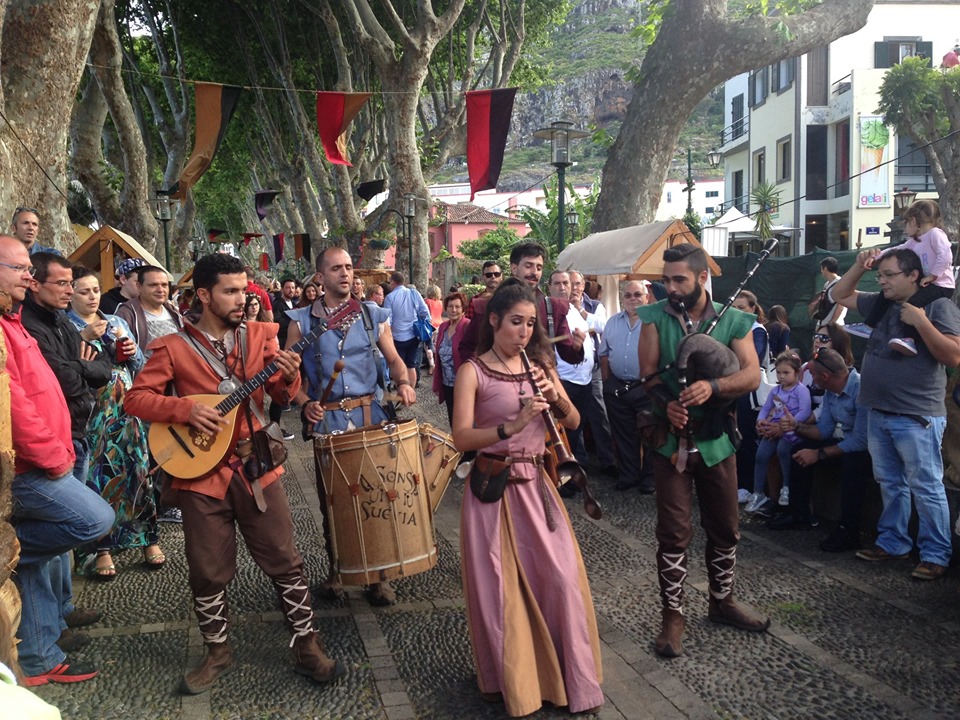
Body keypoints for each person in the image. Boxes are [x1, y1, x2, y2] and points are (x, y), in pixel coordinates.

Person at [125, 252, 345, 693]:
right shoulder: (171, 347)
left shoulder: (263, 334)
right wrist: (185, 409)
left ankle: (307, 645)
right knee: (206, 570)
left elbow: (280, 393)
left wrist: (290, 375)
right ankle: (218, 653)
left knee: (286, 560)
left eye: (244, 289)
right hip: (199, 474)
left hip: (256, 465)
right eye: (230, 291)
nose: (241, 298)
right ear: (204, 295)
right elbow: (136, 400)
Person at [452, 278, 603, 716]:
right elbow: (462, 434)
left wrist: (556, 396)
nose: (523, 331)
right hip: (492, 491)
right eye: (515, 322)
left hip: (539, 489)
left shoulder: (540, 367)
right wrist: (511, 428)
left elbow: (574, 423)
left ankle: (571, 678)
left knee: (559, 581)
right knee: (499, 593)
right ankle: (513, 683)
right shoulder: (472, 371)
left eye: (530, 323)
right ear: (494, 321)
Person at [637, 243, 768, 659]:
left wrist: (713, 387)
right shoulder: (654, 316)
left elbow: (751, 376)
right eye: (666, 279)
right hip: (671, 440)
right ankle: (672, 615)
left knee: (726, 527)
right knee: (673, 533)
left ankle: (722, 602)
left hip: (717, 439)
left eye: (680, 279)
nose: (671, 287)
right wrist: (668, 404)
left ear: (701, 278)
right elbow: (647, 377)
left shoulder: (735, 320)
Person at [0, 236, 113, 686]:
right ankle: (12, 549)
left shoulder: (16, 320)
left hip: (57, 451)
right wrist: (53, 455)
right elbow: (15, 404)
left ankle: (41, 658)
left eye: (30, 268)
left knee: (32, 560)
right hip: (32, 467)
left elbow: (79, 372)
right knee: (93, 520)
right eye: (19, 268)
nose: (28, 276)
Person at [287, 247, 416, 606]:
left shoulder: (374, 315)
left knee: (378, 496)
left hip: (370, 416)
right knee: (334, 502)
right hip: (327, 421)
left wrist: (403, 383)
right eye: (336, 268)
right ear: (320, 277)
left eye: (348, 267)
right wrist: (304, 402)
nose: (345, 274)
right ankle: (338, 571)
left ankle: (380, 575)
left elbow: (393, 359)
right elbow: (287, 375)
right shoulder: (300, 321)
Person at [831, 247, 960, 581]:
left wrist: (921, 322)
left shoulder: (938, 305)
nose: (882, 280)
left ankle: (935, 553)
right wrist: (859, 267)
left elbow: (953, 356)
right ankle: (893, 541)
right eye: (880, 275)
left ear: (913, 275)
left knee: (927, 486)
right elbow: (839, 293)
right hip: (878, 410)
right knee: (890, 482)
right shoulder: (881, 301)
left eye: (889, 275)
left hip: (916, 414)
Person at [66, 266, 161, 580]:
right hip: (91, 415)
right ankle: (101, 548)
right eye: (84, 291)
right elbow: (65, 371)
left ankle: (147, 538)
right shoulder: (66, 326)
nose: (92, 296)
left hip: (126, 408)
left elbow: (141, 366)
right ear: (70, 294)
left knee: (138, 471)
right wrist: (82, 338)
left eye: (95, 290)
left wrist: (132, 353)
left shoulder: (116, 321)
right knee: (97, 478)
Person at [773, 348, 871, 548]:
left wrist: (819, 454)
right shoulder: (830, 392)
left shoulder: (861, 390)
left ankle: (848, 531)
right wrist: (797, 427)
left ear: (824, 376)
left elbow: (861, 440)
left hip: (866, 448)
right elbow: (825, 429)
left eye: (813, 373)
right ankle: (798, 514)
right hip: (843, 441)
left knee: (853, 465)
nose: (809, 378)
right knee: (799, 450)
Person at [459, 242, 584, 367]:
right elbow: (467, 348)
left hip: (539, 382)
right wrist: (483, 374)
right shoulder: (488, 305)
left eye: (539, 268)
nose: (534, 272)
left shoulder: (553, 308)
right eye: (528, 266)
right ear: (514, 268)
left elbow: (568, 354)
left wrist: (577, 346)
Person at [863, 199, 954, 356]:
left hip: (941, 285)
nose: (905, 228)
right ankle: (869, 326)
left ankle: (909, 339)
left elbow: (946, 256)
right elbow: (897, 249)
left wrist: (933, 276)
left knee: (912, 305)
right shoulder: (914, 242)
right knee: (884, 297)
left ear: (913, 221)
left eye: (906, 223)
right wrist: (877, 256)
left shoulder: (935, 234)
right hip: (929, 282)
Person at [547, 270, 616, 477]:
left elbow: (599, 330)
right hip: (563, 381)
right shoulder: (548, 312)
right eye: (557, 283)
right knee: (562, 430)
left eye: (566, 283)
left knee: (578, 427)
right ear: (548, 287)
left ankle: (578, 468)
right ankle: (563, 475)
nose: (562, 287)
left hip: (585, 379)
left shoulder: (577, 309)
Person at [599, 280, 655, 493]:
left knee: (650, 434)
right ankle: (629, 475)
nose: (633, 299)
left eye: (637, 294)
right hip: (618, 388)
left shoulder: (654, 322)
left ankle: (650, 478)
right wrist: (607, 381)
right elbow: (604, 353)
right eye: (628, 295)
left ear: (646, 297)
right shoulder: (613, 322)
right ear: (622, 299)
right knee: (624, 435)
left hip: (646, 388)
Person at [745, 352, 811, 516]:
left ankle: (786, 487)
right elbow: (767, 408)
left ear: (797, 372)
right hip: (775, 426)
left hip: (791, 430)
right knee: (761, 454)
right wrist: (760, 420)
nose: (782, 376)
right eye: (779, 372)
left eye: (786, 372)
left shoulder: (801, 391)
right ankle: (758, 492)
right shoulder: (776, 391)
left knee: (783, 450)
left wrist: (792, 423)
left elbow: (805, 411)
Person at [732, 290, 769, 502]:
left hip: (749, 393)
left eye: (742, 308)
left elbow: (750, 360)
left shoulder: (757, 330)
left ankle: (747, 486)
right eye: (734, 308)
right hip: (733, 391)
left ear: (752, 310)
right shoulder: (730, 329)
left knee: (746, 437)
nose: (737, 312)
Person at [115, 265, 184, 359]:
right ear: (139, 287)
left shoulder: (174, 312)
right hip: (145, 372)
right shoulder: (126, 314)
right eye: (153, 285)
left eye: (164, 285)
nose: (160, 290)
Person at [382, 271, 431, 387]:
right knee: (411, 365)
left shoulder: (389, 297)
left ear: (392, 282)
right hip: (414, 335)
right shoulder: (414, 293)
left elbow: (388, 320)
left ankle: (401, 391)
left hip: (397, 337)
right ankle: (411, 390)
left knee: (397, 364)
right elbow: (425, 313)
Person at [432, 291, 469, 425]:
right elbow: (438, 359)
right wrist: (437, 382)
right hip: (447, 384)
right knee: (453, 420)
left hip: (464, 386)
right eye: (450, 306)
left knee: (465, 422)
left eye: (457, 307)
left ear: (463, 308)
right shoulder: (443, 327)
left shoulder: (467, 326)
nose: (453, 310)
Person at [812, 257, 846, 330]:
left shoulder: (840, 284)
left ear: (826, 268)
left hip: (835, 327)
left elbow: (841, 306)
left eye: (821, 268)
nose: (821, 271)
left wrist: (831, 324)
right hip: (824, 324)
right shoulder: (827, 284)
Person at [423, 285, 443, 375]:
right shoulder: (440, 302)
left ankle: (432, 365)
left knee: (428, 347)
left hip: (430, 326)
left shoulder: (427, 301)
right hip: (439, 324)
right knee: (437, 345)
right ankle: (439, 364)